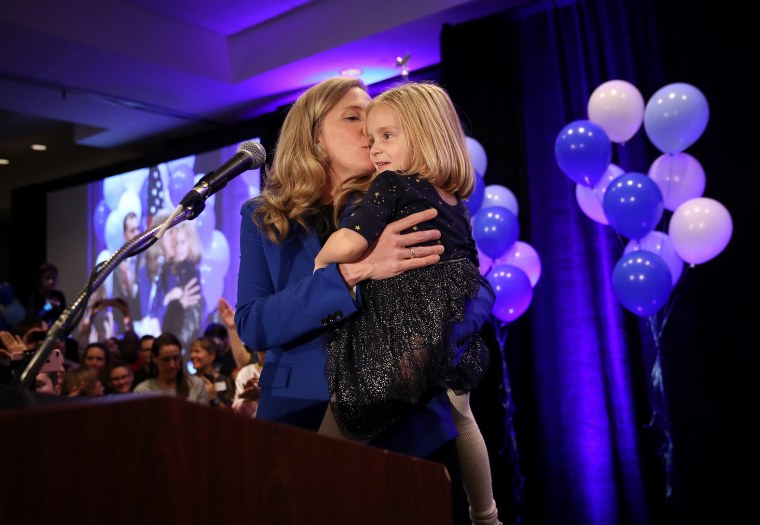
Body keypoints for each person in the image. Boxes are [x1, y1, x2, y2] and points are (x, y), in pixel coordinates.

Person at [234, 76, 495, 525]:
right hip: (302, 414)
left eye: (374, 119)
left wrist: (438, 336)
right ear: (315, 137)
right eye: (353, 117)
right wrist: (354, 272)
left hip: (409, 416)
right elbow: (254, 325)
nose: (368, 126)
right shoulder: (264, 216)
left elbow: (474, 283)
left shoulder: (407, 192)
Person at [312, 81, 500, 525]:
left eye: (387, 136)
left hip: (402, 332)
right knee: (462, 416)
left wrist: (323, 259)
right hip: (450, 329)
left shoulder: (391, 185)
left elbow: (351, 239)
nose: (374, 148)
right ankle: (486, 514)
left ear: (425, 134)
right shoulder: (456, 201)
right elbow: (470, 269)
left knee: (339, 430)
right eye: (372, 138)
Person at [133, 332, 208, 404]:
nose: (172, 365)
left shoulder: (195, 385)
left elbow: (203, 416)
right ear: (154, 358)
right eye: (166, 360)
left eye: (176, 358)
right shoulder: (143, 391)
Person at [112, 211, 143, 329]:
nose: (137, 234)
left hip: (144, 321)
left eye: (138, 229)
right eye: (132, 230)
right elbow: (116, 297)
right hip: (124, 325)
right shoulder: (119, 262)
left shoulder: (146, 257)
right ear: (125, 235)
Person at [189, 336, 234, 407]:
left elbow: (229, 415)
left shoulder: (225, 381)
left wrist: (214, 398)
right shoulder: (187, 381)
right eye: (191, 352)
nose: (192, 355)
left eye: (197, 351)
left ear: (212, 356)